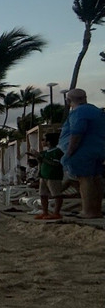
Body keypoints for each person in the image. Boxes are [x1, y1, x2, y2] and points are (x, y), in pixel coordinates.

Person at [58, 88, 105, 219]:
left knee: (85, 179)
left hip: (82, 151)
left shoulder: (79, 112)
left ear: (68, 100)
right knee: (96, 178)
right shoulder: (97, 111)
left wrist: (70, 151)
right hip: (98, 149)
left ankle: (88, 211)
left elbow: (77, 132)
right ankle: (96, 210)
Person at [32, 132, 64, 220]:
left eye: (43, 140)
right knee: (43, 194)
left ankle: (56, 213)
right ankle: (45, 212)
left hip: (53, 176)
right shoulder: (45, 152)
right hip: (44, 176)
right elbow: (41, 162)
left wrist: (41, 158)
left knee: (56, 195)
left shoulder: (57, 152)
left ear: (49, 142)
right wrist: (37, 157)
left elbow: (55, 164)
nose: (42, 141)